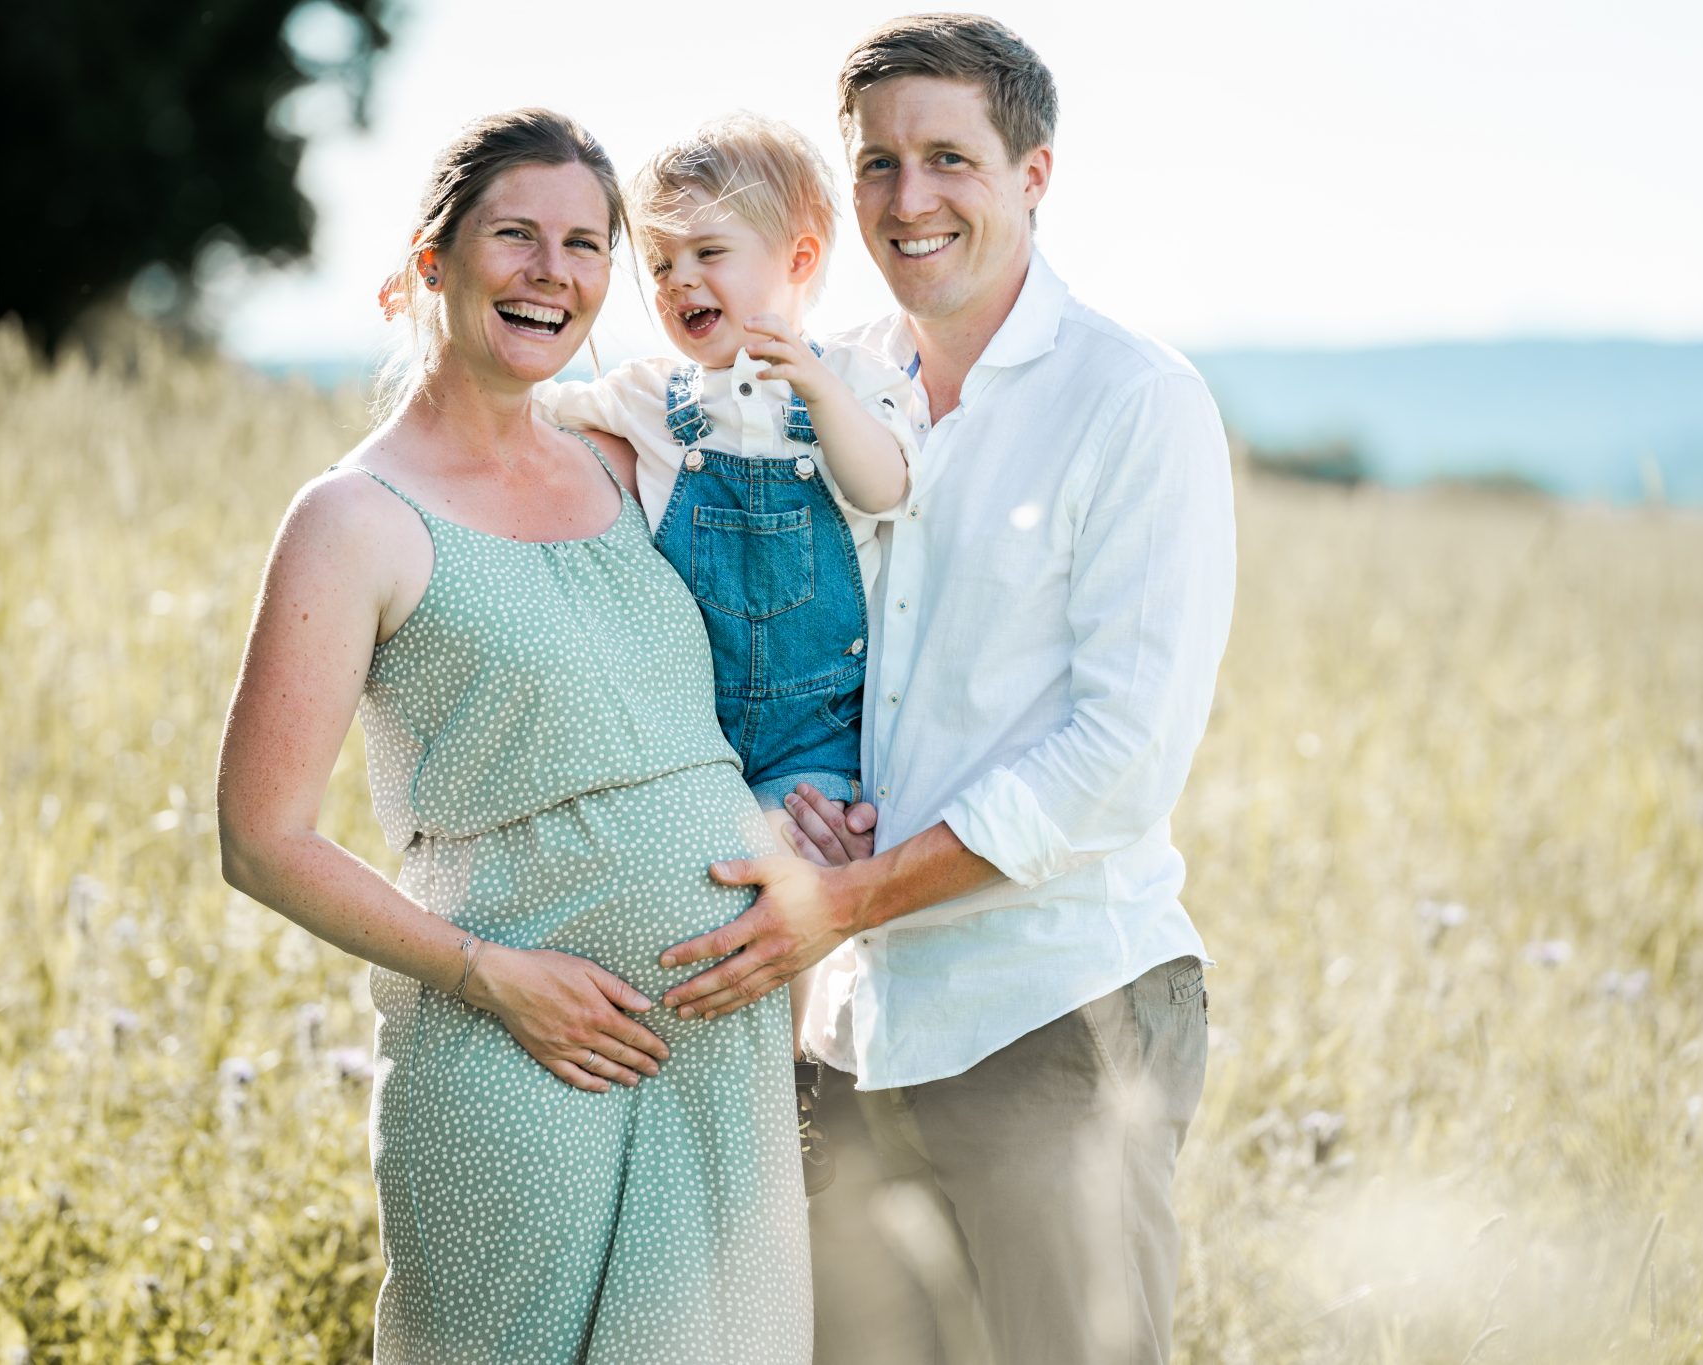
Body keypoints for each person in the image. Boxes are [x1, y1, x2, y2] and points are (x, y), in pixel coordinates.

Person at [652, 16, 1237, 1365]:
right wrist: (800, 806)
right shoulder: (820, 378)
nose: (908, 198)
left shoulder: (1134, 401)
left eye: (948, 159)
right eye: (877, 163)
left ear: (1033, 175)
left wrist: (854, 894)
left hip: (1056, 1012)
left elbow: (1120, 756)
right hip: (855, 1028)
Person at [215, 108, 810, 1364]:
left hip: (725, 1052)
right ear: (432, 261)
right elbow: (261, 840)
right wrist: (490, 977)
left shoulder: (627, 461)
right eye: (516, 236)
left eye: (586, 245)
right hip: (518, 1054)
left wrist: (811, 822)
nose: (553, 272)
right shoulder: (353, 517)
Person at [538, 112, 920, 1193]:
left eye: (709, 252)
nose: (679, 282)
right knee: (684, 899)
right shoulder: (652, 399)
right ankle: (666, 1105)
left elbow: (886, 484)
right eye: (661, 263)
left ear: (798, 259)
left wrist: (817, 390)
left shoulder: (857, 381)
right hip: (691, 732)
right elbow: (536, 410)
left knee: (779, 892)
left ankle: (783, 1099)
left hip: (812, 738)